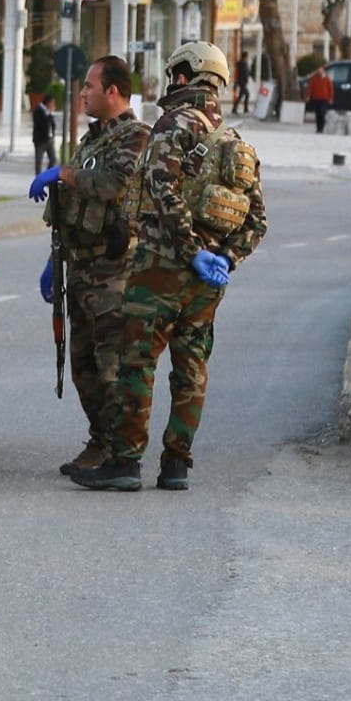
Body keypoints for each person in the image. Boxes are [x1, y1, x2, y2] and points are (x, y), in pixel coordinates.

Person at [72, 41, 267, 493]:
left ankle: (124, 461)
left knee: (135, 361)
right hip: (206, 282)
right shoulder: (238, 143)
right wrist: (223, 259)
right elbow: (258, 221)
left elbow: (161, 188)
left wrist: (188, 248)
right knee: (191, 366)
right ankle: (176, 464)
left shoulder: (171, 126)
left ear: (184, 77)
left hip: (161, 267)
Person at [27, 56, 153, 476]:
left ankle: (122, 455)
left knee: (111, 365)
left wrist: (62, 174)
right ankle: (101, 441)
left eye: (90, 86)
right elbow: (69, 210)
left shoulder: (135, 137)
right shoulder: (91, 141)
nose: (82, 93)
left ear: (112, 92)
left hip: (113, 271)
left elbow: (112, 184)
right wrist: (53, 263)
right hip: (79, 267)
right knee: (81, 366)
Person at [31, 92, 58, 173]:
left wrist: (52, 135)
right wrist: (49, 113)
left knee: (53, 159)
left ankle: (47, 175)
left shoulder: (48, 111)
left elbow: (52, 124)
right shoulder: (39, 110)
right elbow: (43, 125)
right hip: (40, 140)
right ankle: (38, 178)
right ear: (48, 102)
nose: (53, 105)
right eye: (52, 103)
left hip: (49, 139)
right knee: (39, 161)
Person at [305, 64, 335, 133]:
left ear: (323, 71)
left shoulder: (327, 79)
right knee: (317, 114)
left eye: (320, 70)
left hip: (324, 99)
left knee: (322, 113)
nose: (319, 72)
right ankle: (318, 128)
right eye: (318, 71)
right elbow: (310, 88)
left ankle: (322, 127)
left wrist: (331, 98)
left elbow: (331, 89)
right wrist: (308, 96)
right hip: (316, 98)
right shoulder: (314, 79)